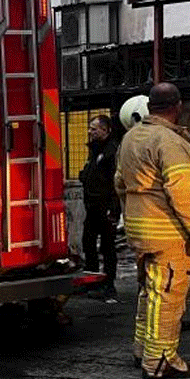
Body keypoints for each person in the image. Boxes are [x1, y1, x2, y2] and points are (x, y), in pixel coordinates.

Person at [115, 82, 190, 379]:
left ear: (149, 106)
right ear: (178, 106)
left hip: (140, 228)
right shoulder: (170, 143)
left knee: (150, 292)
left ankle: (143, 349)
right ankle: (160, 361)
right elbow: (184, 196)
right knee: (168, 295)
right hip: (165, 231)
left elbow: (119, 183)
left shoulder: (131, 137)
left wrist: (130, 215)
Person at [79, 114, 120, 299]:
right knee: (88, 242)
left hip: (105, 206)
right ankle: (92, 279)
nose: (90, 132)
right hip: (92, 205)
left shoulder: (111, 152)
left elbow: (115, 182)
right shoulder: (95, 151)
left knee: (107, 246)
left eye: (94, 129)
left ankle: (108, 284)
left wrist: (114, 209)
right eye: (90, 128)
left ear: (106, 130)